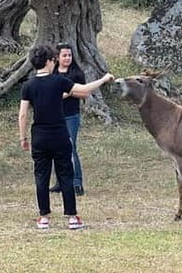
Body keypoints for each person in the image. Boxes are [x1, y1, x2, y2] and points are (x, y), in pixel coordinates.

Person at [18, 44, 114, 230]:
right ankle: (71, 217)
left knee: (41, 176)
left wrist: (23, 138)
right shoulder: (58, 81)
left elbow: (23, 114)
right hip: (59, 135)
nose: (55, 63)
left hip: (38, 136)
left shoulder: (28, 85)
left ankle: (44, 217)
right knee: (65, 174)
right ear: (48, 61)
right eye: (53, 60)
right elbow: (85, 89)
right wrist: (103, 79)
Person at [49, 42, 87, 196]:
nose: (67, 58)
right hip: (55, 115)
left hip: (71, 115)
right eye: (64, 55)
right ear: (57, 57)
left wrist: (69, 92)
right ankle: (60, 182)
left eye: (69, 55)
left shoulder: (76, 74)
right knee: (56, 149)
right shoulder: (52, 74)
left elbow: (84, 93)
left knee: (71, 148)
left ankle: (77, 182)